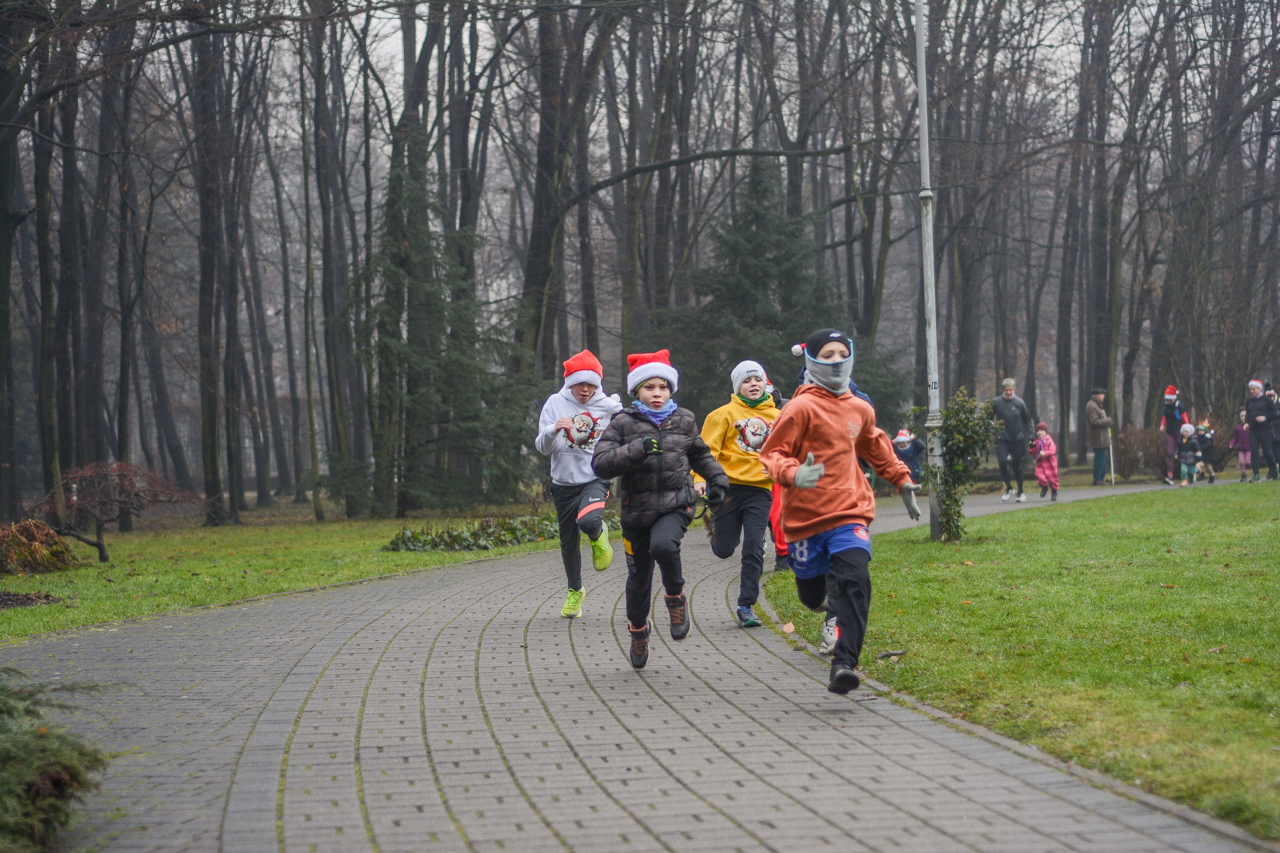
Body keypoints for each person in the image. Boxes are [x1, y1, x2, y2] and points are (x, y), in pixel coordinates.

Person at [759, 329, 921, 695]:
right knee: (810, 596)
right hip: (804, 521)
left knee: (856, 580)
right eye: (827, 354)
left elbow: (877, 447)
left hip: (850, 511)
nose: (835, 360)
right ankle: (824, 601)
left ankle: (844, 664)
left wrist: (902, 479)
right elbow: (771, 454)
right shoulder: (799, 408)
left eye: (841, 353)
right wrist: (794, 473)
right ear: (812, 361)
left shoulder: (859, 408)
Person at [591, 349, 729, 670]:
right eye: (649, 387)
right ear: (636, 390)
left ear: (671, 390)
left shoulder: (683, 420)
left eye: (663, 387)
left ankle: (675, 597)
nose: (657, 393)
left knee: (664, 545)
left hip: (675, 503)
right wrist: (635, 449)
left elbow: (701, 455)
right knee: (638, 578)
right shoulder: (622, 423)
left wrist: (718, 479)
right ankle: (638, 630)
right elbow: (601, 463)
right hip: (635, 513)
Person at [535, 350, 623, 619]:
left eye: (591, 384)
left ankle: (598, 535)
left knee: (587, 521)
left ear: (598, 384)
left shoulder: (607, 406)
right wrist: (553, 429)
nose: (585, 390)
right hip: (562, 483)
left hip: (595, 476)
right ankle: (576, 591)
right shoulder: (554, 403)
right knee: (568, 541)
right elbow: (541, 447)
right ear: (569, 382)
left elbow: (628, 429)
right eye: (579, 383)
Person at [694, 360, 780, 628]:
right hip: (727, 489)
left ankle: (746, 605)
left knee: (755, 546)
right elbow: (704, 452)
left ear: (765, 384)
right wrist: (700, 479)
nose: (753, 384)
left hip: (760, 490)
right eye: (746, 380)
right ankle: (717, 534)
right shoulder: (722, 415)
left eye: (758, 380)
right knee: (724, 550)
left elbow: (787, 450)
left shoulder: (778, 417)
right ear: (737, 386)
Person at [990, 378, 1034, 502]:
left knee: (1017, 466)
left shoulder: (1020, 403)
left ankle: (1020, 492)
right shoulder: (996, 402)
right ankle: (1009, 488)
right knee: (1002, 463)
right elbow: (988, 417)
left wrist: (1031, 436)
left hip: (1017, 438)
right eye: (1006, 390)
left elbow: (1028, 420)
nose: (1008, 392)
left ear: (1014, 389)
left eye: (1010, 390)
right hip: (1002, 438)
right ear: (1002, 390)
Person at [1243, 380, 1276, 482]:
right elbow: (1248, 414)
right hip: (1253, 431)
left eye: (1253, 389)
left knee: (1267, 452)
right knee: (1254, 452)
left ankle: (1274, 467)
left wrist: (1265, 417)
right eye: (1250, 390)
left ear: (1259, 389)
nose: (1252, 391)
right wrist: (1246, 423)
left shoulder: (1266, 400)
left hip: (1266, 430)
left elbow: (1275, 412)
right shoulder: (1249, 401)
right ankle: (1256, 474)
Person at [1159, 386, 1190, 485]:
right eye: (1167, 399)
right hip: (1169, 432)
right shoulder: (1166, 406)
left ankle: (1186, 474)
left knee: (1182, 453)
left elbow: (1185, 419)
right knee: (1169, 453)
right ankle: (1169, 476)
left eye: (1170, 399)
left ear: (1174, 397)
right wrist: (1162, 425)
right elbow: (1164, 416)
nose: (1169, 401)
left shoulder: (1179, 406)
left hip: (1179, 432)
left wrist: (1187, 430)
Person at [1085, 388, 1113, 486]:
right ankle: (1097, 479)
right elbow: (1094, 422)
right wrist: (1107, 421)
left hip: (1100, 436)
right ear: (1097, 395)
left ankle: (1100, 478)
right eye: (1102, 395)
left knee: (1102, 458)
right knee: (1100, 459)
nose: (1103, 397)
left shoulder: (1096, 405)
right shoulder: (1092, 406)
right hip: (1098, 437)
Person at [1032, 422, 1059, 500]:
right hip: (1040, 463)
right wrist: (1031, 446)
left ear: (1046, 432)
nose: (1039, 432)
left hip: (1050, 463)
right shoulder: (1036, 442)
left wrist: (1045, 453)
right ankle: (1044, 487)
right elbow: (1033, 452)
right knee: (1040, 476)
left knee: (1052, 478)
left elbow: (1053, 450)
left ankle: (1054, 491)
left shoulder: (1049, 441)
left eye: (1042, 430)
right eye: (1038, 431)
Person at [1228, 407, 1250, 482]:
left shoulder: (1249, 426)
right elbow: (1235, 437)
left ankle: (1252, 469)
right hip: (1240, 448)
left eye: (1244, 416)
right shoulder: (1238, 427)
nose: (1243, 418)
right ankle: (1244, 475)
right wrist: (1231, 444)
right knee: (1241, 462)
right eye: (1241, 416)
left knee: (1248, 462)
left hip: (1249, 447)